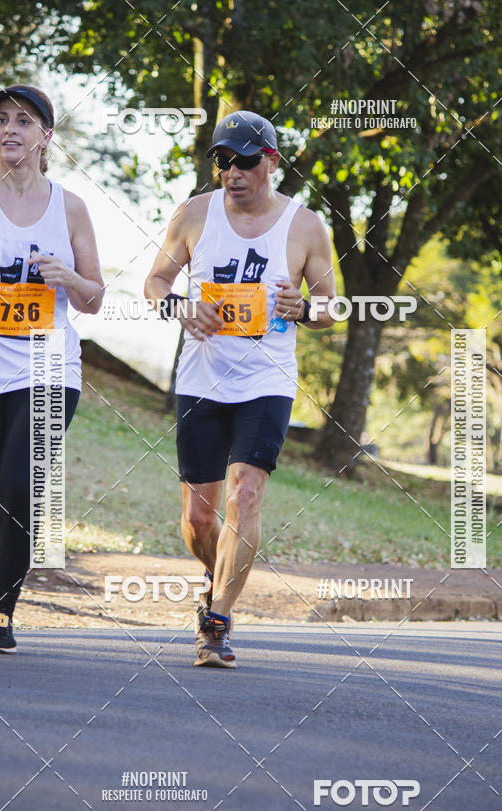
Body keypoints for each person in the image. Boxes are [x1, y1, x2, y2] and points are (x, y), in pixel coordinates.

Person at [144, 110, 335, 668]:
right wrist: (180, 308)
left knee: (245, 493)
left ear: (271, 162)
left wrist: (305, 309)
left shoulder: (304, 227)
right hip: (202, 378)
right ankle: (215, 573)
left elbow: (329, 306)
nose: (232, 172)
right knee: (200, 520)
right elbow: (155, 281)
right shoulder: (193, 215)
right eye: (223, 161)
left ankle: (218, 621)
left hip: (266, 379)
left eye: (245, 161)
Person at [0, 84, 104, 652]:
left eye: (24, 121)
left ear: (47, 136)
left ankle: (1, 606)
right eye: (0, 120)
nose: (10, 129)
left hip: (49, 365)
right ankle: (11, 557)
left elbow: (93, 296)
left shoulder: (70, 207)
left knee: (21, 487)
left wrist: (67, 278)